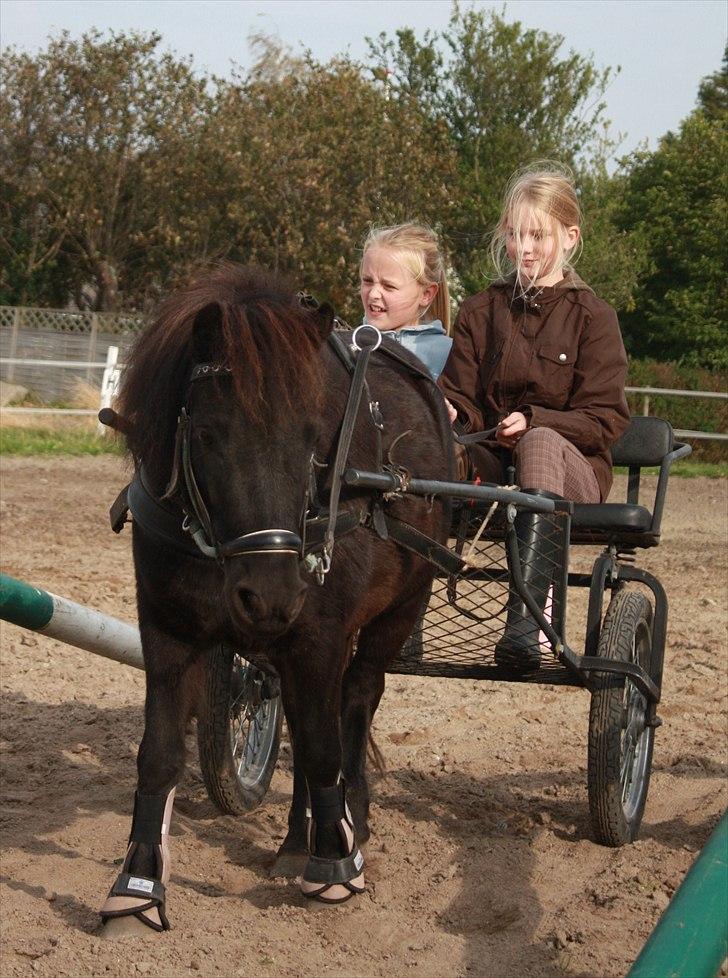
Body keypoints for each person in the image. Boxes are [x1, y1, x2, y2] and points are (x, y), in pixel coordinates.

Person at [439, 162, 631, 674]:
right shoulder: (481, 310)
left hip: (574, 473)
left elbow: (605, 419)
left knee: (541, 442)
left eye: (537, 235)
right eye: (515, 234)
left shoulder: (594, 319)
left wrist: (534, 420)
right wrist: (447, 409)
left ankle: (525, 622)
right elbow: (461, 397)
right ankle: (396, 611)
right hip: (495, 468)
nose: (523, 248)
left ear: (569, 238)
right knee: (427, 441)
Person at [360, 223, 452, 380]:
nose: (374, 293)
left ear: (426, 294)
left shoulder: (451, 357)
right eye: (367, 281)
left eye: (388, 286)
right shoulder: (347, 346)